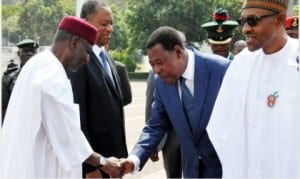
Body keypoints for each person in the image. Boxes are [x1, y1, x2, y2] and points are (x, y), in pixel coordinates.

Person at [0, 15, 123, 178]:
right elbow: (67, 136)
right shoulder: (52, 74)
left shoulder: (37, 63)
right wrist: (103, 162)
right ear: (74, 42)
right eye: (87, 52)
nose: (87, 59)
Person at [120, 26, 230, 178]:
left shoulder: (220, 70)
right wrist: (134, 159)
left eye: (160, 62)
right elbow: (155, 126)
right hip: (191, 172)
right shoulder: (161, 83)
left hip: (224, 171)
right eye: (152, 65)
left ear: (178, 52)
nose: (157, 70)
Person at [207, 0, 300, 177]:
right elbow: (220, 128)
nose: (245, 29)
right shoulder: (241, 64)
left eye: (253, 20)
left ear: (279, 19)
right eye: (243, 21)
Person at [67, 1, 128, 177]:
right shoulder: (78, 60)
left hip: (114, 161)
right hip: (96, 166)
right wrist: (90, 168)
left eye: (111, 23)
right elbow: (78, 119)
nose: (110, 29)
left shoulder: (105, 56)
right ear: (85, 23)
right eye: (104, 24)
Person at [145, 30, 187, 178]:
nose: (157, 69)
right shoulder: (157, 75)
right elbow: (151, 106)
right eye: (153, 64)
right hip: (171, 140)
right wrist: (152, 144)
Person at [1, 39, 39, 121]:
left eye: (33, 51)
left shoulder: (44, 76)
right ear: (19, 53)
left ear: (37, 55)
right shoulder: (9, 77)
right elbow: (4, 105)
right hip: (16, 121)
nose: (29, 53)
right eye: (26, 51)